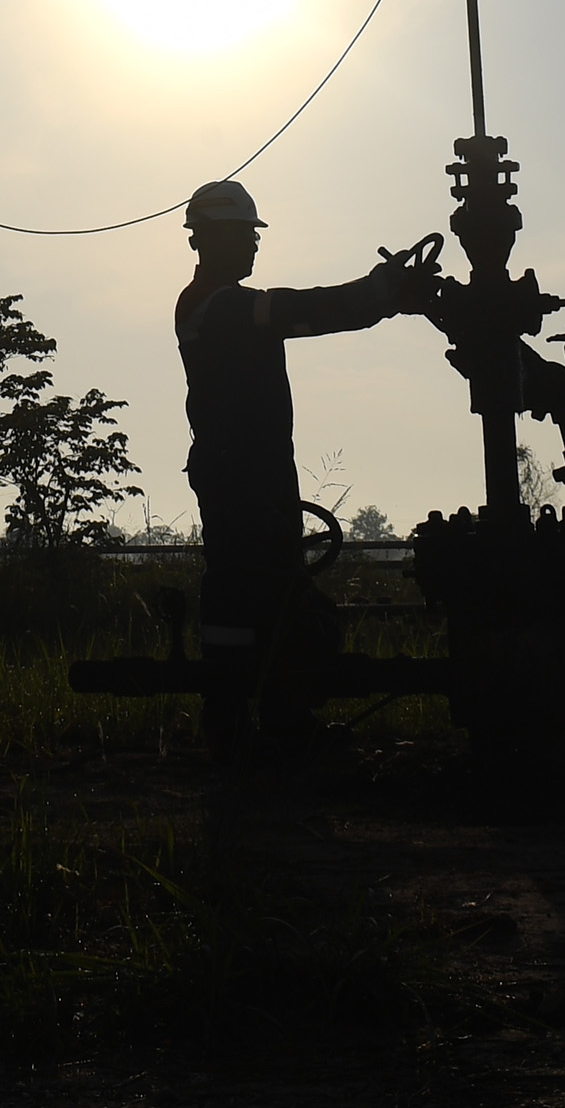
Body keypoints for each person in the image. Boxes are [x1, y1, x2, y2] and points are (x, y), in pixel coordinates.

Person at [173, 177, 431, 747]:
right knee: (243, 599)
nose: (254, 245)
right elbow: (306, 310)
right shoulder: (214, 307)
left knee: (274, 600)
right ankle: (237, 724)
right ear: (206, 239)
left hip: (256, 475)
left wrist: (383, 298)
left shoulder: (229, 306)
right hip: (239, 477)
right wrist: (380, 291)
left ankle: (270, 722)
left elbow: (301, 312)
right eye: (244, 234)